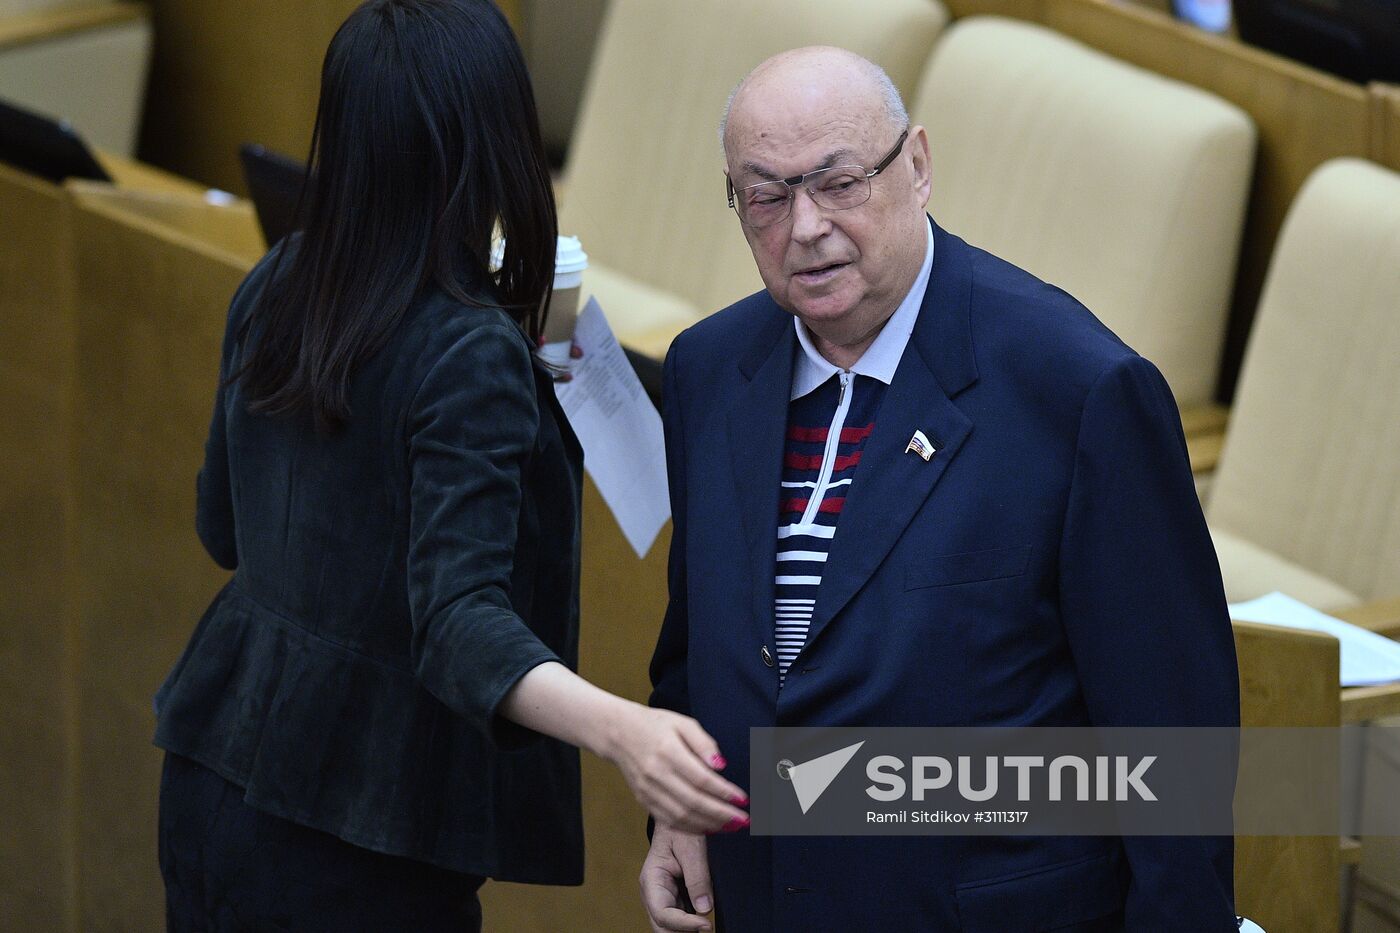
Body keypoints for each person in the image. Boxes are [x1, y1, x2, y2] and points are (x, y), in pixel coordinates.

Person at [152, 2, 747, 930]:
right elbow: (459, 625)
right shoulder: (469, 352)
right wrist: (629, 731)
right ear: (494, 139)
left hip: (207, 776)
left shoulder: (278, 276)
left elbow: (221, 529)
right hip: (358, 836)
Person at [641, 47, 1239, 932]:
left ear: (917, 166)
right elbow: (695, 660)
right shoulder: (708, 370)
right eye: (765, 196)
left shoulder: (1077, 392)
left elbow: (1177, 751)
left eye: (839, 183)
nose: (805, 226)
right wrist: (679, 810)